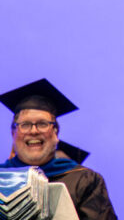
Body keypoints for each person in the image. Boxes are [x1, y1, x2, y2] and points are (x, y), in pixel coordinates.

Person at [0, 78, 117, 220]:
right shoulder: (2, 177)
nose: (34, 131)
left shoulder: (84, 181)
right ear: (13, 133)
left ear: (56, 133)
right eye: (25, 124)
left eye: (43, 124)